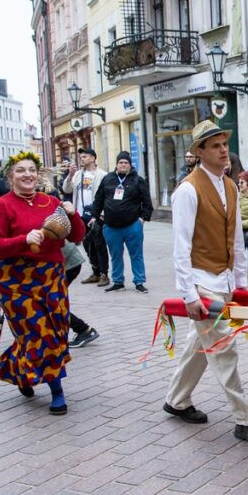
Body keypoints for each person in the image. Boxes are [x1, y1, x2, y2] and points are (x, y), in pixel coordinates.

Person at [164, 120, 248, 445]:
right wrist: (188, 295)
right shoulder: (187, 190)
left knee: (199, 345)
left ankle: (176, 399)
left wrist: (240, 287)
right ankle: (245, 419)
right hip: (201, 282)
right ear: (198, 152)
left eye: (224, 143)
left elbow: (237, 241)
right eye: (214, 145)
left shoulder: (230, 185)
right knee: (223, 346)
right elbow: (180, 247)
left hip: (224, 279)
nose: (223, 149)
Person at [0, 151, 85, 414]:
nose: (27, 174)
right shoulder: (1, 205)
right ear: (10, 176)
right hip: (14, 280)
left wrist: (73, 215)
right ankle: (57, 392)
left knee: (55, 331)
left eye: (31, 170)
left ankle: (19, 371)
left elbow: (77, 235)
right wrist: (23, 239)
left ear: (37, 174)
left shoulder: (51, 202)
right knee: (37, 333)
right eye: (20, 171)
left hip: (51, 276)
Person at [90, 151, 153, 293]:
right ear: (117, 165)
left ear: (130, 165)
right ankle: (118, 282)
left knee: (136, 255)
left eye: (126, 163)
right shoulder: (108, 179)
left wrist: (142, 219)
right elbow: (98, 199)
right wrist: (94, 215)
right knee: (115, 255)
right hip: (111, 227)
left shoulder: (138, 180)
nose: (123, 165)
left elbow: (147, 202)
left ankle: (139, 282)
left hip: (132, 226)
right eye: (120, 163)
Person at [62, 148, 110, 286]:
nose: (82, 159)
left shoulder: (102, 175)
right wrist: (70, 176)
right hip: (81, 215)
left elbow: (106, 196)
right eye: (81, 157)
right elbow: (67, 190)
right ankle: (95, 272)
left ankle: (104, 274)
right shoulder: (77, 174)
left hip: (96, 215)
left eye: (85, 156)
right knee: (87, 244)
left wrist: (102, 215)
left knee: (99, 245)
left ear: (93, 158)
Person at [62, 240, 100, 347]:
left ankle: (84, 330)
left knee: (50, 303)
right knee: (49, 302)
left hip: (66, 263)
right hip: (64, 260)